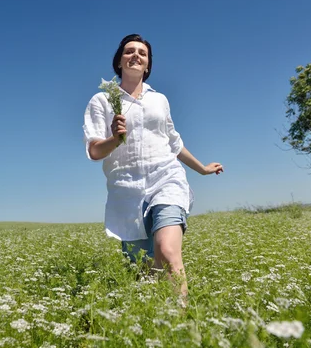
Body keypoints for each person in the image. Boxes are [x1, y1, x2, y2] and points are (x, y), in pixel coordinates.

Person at [83, 34, 223, 298]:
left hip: (166, 179)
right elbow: (94, 150)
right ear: (119, 61)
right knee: (145, 275)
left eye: (142, 53)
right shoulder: (101, 101)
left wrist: (202, 169)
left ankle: (182, 330)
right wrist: (115, 139)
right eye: (129, 51)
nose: (135, 55)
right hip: (126, 192)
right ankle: (157, 325)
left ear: (147, 65)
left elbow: (173, 142)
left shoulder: (159, 100)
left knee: (168, 252)